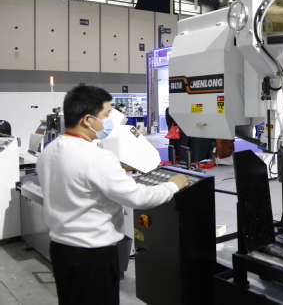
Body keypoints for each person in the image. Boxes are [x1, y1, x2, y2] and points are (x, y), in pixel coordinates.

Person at [37, 85, 189, 305]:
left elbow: (76, 180)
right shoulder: (97, 157)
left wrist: (114, 169)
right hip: (93, 256)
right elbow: (138, 198)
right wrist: (172, 186)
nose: (109, 120)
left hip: (61, 250)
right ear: (87, 120)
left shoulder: (49, 151)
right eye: (106, 114)